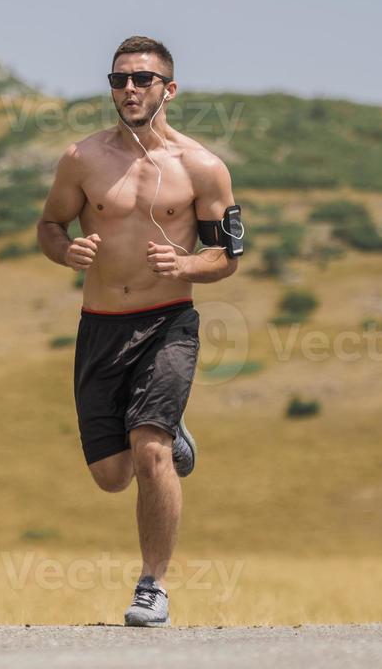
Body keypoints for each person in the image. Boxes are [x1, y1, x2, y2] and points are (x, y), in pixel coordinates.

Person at [37, 35, 241, 627]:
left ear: (168, 89)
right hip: (99, 325)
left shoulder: (202, 168)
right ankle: (172, 436)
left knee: (148, 447)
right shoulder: (82, 159)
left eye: (142, 79)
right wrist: (65, 249)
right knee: (111, 475)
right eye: (119, 79)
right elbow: (49, 223)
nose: (129, 89)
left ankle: (152, 585)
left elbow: (226, 256)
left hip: (166, 323)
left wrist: (188, 265)